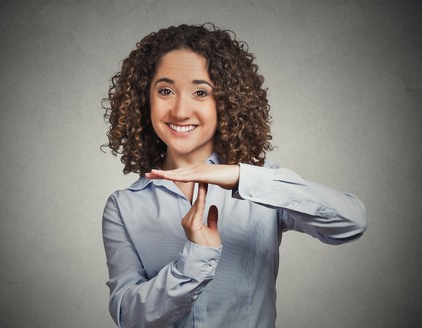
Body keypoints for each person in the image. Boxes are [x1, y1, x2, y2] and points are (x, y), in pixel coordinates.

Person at [102, 23, 368, 328]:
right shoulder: (124, 207)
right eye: (165, 90)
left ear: (226, 102)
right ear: (144, 99)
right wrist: (197, 259)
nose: (179, 109)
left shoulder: (264, 186)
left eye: (200, 92)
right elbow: (127, 315)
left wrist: (243, 178)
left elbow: (352, 222)